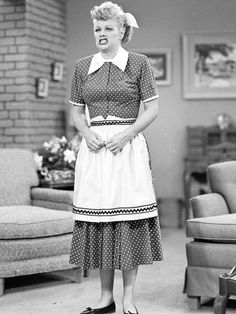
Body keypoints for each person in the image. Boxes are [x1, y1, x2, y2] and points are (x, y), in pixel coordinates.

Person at [69, 2, 163, 314]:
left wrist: (128, 133)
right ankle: (105, 297)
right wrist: (85, 131)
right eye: (98, 29)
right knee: (101, 221)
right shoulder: (83, 67)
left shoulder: (138, 63)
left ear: (122, 31)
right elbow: (75, 111)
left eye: (109, 28)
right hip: (95, 152)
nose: (102, 34)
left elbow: (151, 109)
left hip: (127, 150)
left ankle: (128, 299)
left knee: (127, 218)